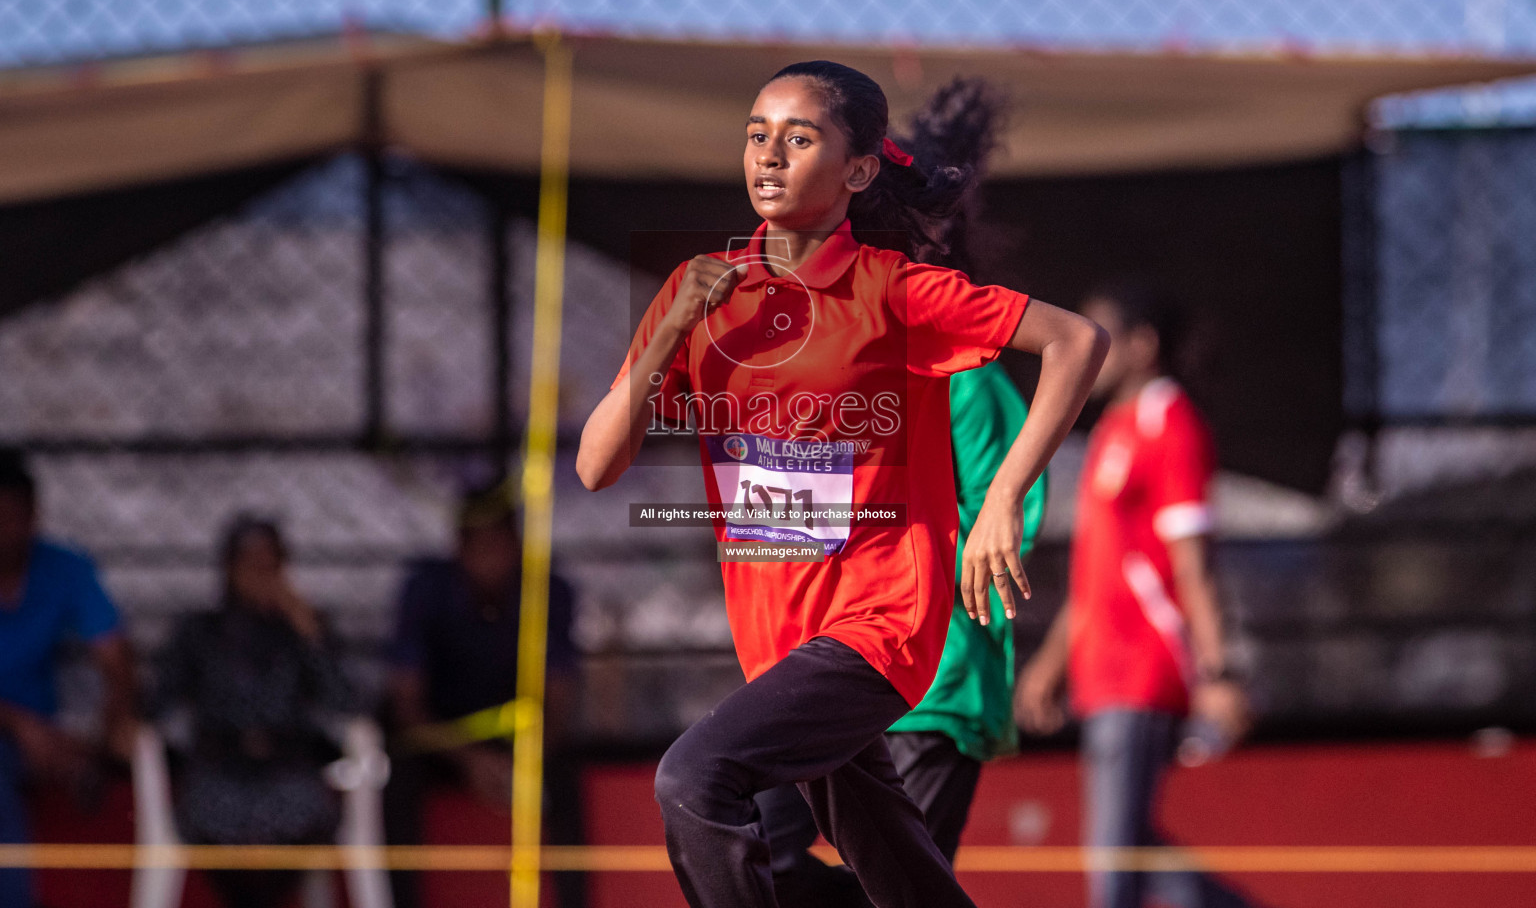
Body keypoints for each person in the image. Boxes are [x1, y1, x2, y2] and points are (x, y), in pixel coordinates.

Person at [577, 60, 1108, 908]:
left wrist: (1004, 497)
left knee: (695, 781)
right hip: (779, 641)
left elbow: (1075, 341)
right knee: (899, 880)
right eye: (757, 135)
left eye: (799, 137)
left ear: (859, 170)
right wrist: (675, 324)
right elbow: (597, 465)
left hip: (880, 625)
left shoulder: (894, 291)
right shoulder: (698, 291)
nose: (769, 155)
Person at [752, 79, 1049, 908]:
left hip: (930, 678)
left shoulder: (965, 383)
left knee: (890, 886)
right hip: (836, 664)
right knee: (749, 840)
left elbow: (1004, 515)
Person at [1015, 282, 1255, 908]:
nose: (1087, 351)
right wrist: (1052, 663)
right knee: (1126, 847)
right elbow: (1101, 570)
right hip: (1101, 673)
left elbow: (1193, 566)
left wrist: (1219, 672)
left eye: (1103, 336)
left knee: (1114, 865)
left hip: (1143, 670)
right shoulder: (1113, 431)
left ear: (1143, 346)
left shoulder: (1172, 424)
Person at [383, 480, 584, 908]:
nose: (489, 557)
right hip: (442, 742)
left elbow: (560, 701)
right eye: (478, 545)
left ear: (517, 545)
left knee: (565, 782)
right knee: (395, 778)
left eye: (499, 543)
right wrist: (469, 758)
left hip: (519, 742)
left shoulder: (548, 591)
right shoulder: (424, 590)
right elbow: (405, 705)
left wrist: (523, 762)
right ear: (458, 547)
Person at [152, 515, 357, 908]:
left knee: (299, 820)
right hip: (219, 770)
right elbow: (157, 705)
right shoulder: (199, 631)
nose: (261, 574)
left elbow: (346, 703)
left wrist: (310, 634)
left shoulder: (305, 627)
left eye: (270, 563)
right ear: (229, 568)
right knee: (222, 826)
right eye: (250, 562)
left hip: (289, 769)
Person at [0, 447, 136, 908]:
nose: (7, 532)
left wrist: (109, 731)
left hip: (43, 731)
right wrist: (20, 727)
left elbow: (114, 656)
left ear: (35, 515)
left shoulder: (63, 567)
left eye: (16, 517)